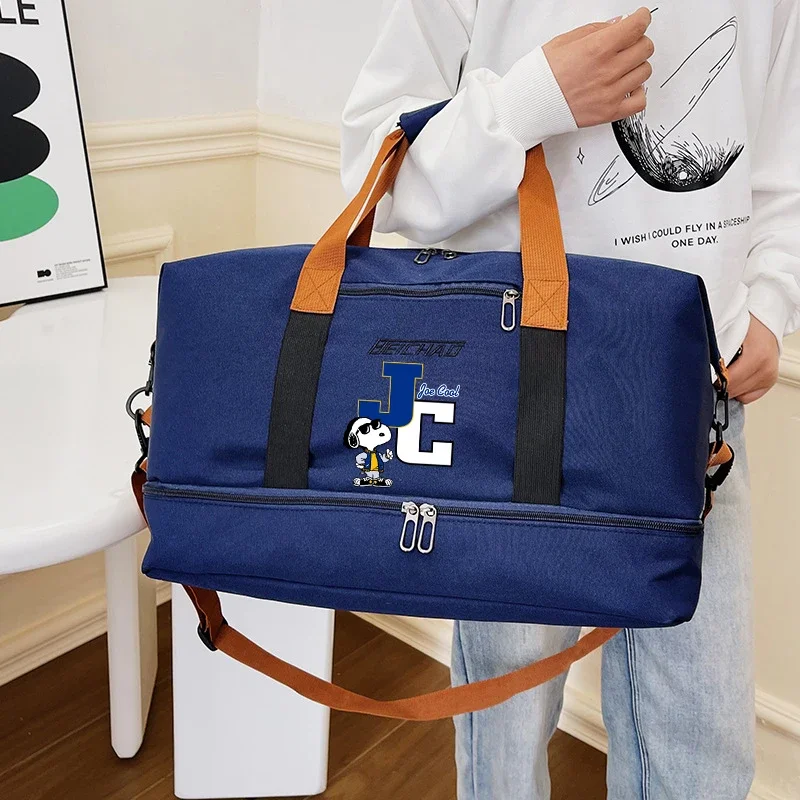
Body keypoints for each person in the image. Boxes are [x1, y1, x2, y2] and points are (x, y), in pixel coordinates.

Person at [340, 2, 800, 798]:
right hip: (514, 387)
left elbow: (782, 153)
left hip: (696, 398)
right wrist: (531, 99)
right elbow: (377, 178)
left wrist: (771, 299)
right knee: (506, 714)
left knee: (701, 750)